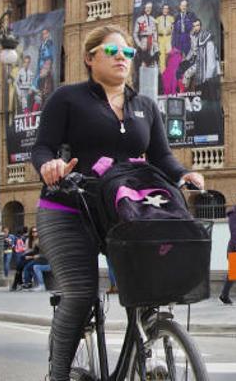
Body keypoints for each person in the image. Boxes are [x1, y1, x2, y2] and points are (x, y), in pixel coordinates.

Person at [31, 24, 204, 381]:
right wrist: (50, 166)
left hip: (122, 213)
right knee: (79, 295)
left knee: (146, 289)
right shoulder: (67, 98)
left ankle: (146, 350)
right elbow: (42, 146)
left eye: (128, 53)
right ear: (90, 58)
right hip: (69, 208)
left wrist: (182, 175)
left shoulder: (144, 105)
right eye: (114, 52)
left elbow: (160, 156)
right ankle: (58, 374)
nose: (123, 58)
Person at [155, 3, 174, 72]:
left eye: (166, 9)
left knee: (170, 55)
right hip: (160, 38)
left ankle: (170, 72)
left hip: (168, 38)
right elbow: (155, 30)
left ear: (168, 10)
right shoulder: (158, 19)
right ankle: (163, 74)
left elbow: (173, 30)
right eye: (164, 9)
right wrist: (156, 40)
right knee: (161, 57)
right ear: (162, 10)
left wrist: (172, 39)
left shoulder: (171, 18)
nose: (165, 10)